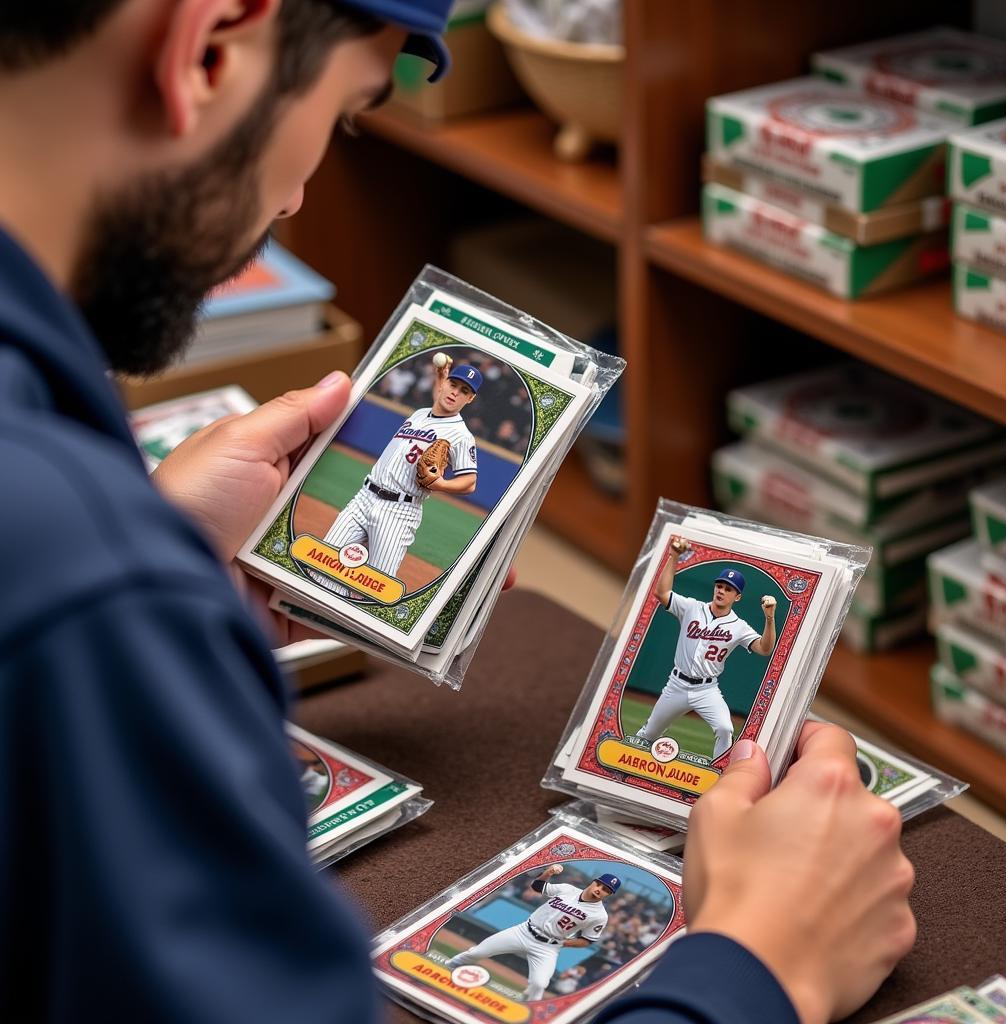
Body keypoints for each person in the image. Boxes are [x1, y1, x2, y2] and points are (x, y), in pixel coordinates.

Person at [0, 2, 914, 1022]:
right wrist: (754, 968)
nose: (298, 195)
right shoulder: (77, 577)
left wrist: (150, 583)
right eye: (349, 111)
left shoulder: (77, 555)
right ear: (209, 48)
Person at [312, 358, 479, 591]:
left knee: (372, 587)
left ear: (470, 399)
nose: (455, 393)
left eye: (464, 391)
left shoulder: (461, 435)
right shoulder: (421, 414)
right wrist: (441, 374)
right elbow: (439, 400)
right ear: (445, 384)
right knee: (322, 564)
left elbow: (469, 482)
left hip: (399, 512)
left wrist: (441, 484)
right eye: (453, 384)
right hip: (364, 497)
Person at [636, 536, 776, 758]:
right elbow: (662, 593)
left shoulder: (738, 626)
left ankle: (719, 775)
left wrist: (770, 619)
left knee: (725, 728)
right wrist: (674, 556)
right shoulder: (692, 607)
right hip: (677, 685)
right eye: (719, 585)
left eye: (728, 589)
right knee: (648, 735)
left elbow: (764, 649)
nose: (721, 590)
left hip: (706, 690)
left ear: (737, 597)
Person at [448, 866, 616, 1002]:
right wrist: (548, 873)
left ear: (609, 895)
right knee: (478, 952)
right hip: (523, 931)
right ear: (594, 882)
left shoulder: (600, 915)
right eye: (599, 885)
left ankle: (529, 1009)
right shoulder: (567, 889)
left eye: (606, 890)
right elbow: (537, 886)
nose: (600, 890)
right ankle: (449, 966)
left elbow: (587, 940)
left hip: (547, 947)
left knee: (539, 984)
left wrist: (564, 943)